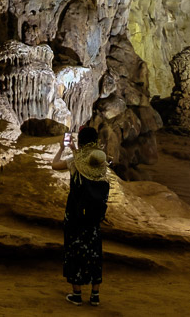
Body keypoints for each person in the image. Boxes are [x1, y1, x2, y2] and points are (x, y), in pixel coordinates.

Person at [52, 125, 110, 306]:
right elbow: (88, 160)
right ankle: (95, 295)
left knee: (75, 251)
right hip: (93, 218)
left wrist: (63, 148)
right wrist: (76, 150)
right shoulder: (100, 162)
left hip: (76, 216)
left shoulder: (74, 163)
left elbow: (55, 165)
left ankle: (77, 294)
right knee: (94, 252)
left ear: (81, 141)